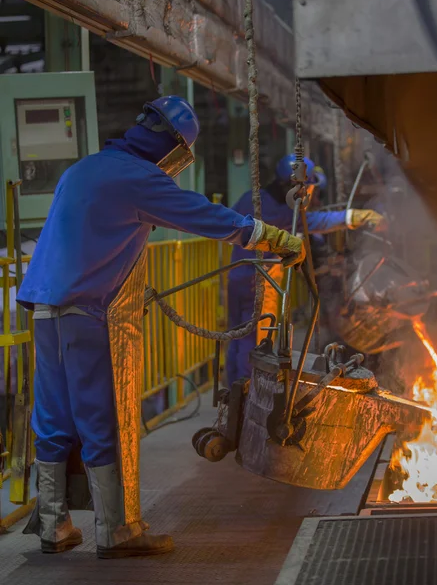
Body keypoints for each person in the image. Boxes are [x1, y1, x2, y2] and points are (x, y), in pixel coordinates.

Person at [17, 96, 304, 559]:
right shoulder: (138, 177)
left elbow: (90, 237)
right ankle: (117, 531)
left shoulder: (85, 168)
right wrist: (271, 236)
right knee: (103, 417)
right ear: (172, 147)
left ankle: (53, 525)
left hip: (45, 308)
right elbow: (204, 216)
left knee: (53, 417)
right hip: (89, 312)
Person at [226, 154, 384, 387]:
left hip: (236, 276)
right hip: (260, 280)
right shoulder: (278, 212)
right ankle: (246, 390)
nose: (309, 195)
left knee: (237, 336)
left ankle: (232, 391)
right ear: (296, 189)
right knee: (255, 341)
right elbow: (313, 221)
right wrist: (353, 217)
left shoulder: (251, 198)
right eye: (308, 189)